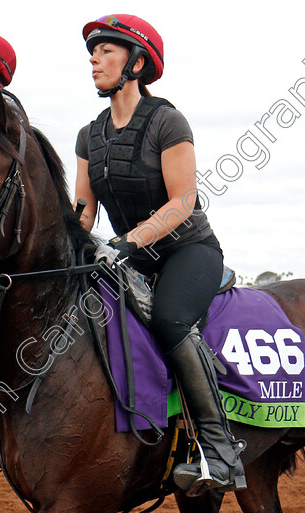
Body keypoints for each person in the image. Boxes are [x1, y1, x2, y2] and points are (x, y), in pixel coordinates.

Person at [73, 14, 246, 495]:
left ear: (138, 62)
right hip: (129, 256)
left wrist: (125, 243)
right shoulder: (89, 135)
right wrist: (71, 240)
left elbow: (182, 202)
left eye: (107, 50)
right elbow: (83, 212)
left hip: (187, 249)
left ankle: (221, 451)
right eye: (94, 51)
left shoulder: (168, 120)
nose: (94, 59)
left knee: (170, 320)